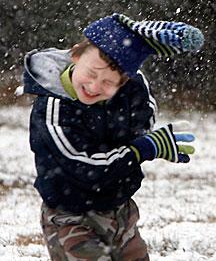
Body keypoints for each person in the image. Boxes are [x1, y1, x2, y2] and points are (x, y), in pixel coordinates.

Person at [22, 13, 204, 260]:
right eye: (92, 73)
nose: (95, 86)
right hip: (70, 217)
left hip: (120, 212)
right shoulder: (53, 108)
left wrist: (139, 44)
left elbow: (142, 121)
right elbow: (85, 167)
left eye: (109, 82)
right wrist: (143, 149)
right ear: (75, 56)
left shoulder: (130, 89)